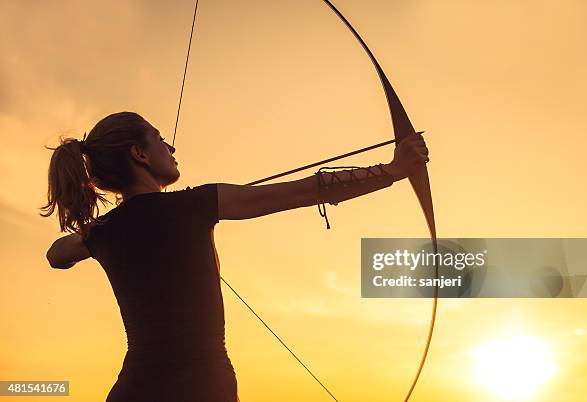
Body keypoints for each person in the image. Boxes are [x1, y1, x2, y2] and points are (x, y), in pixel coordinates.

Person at [40, 111, 429, 401]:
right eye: (160, 140)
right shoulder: (196, 204)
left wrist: (84, 241)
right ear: (139, 154)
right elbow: (305, 191)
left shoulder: (101, 233)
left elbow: (56, 255)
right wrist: (393, 170)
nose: (171, 148)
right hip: (203, 388)